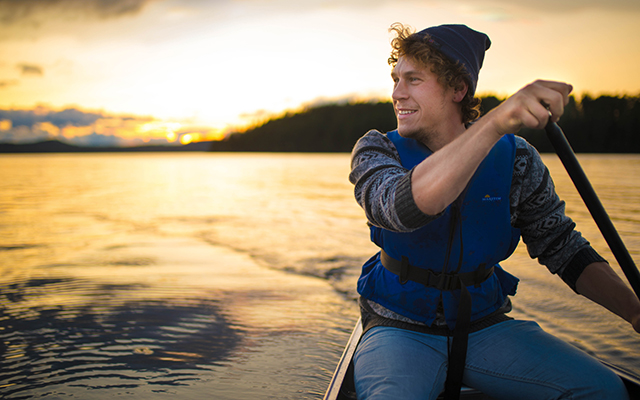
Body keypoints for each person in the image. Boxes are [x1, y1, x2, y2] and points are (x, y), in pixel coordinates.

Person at [349, 23, 640, 400]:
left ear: (458, 89)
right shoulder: (375, 150)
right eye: (395, 79)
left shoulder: (517, 158)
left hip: (484, 326)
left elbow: (561, 247)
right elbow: (403, 208)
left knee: (601, 390)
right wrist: (494, 124)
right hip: (397, 327)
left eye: (413, 80)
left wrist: (633, 310)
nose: (396, 94)